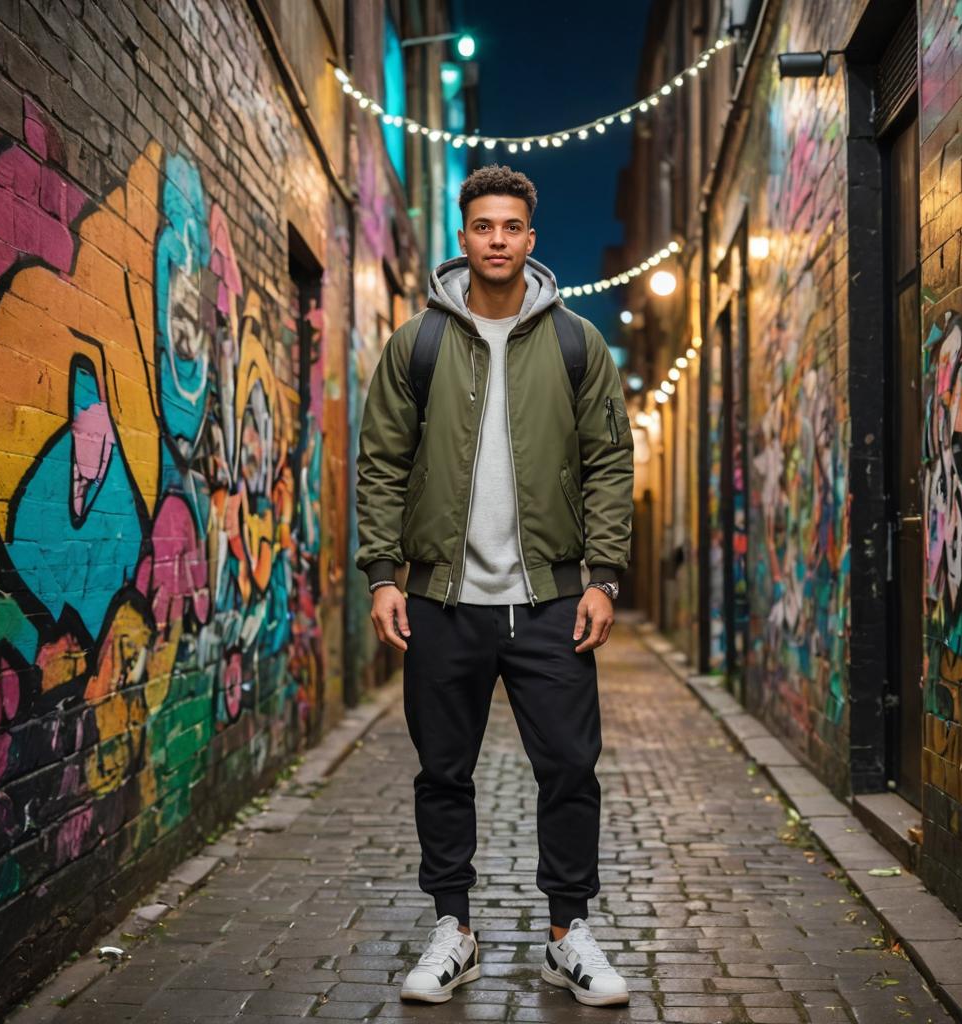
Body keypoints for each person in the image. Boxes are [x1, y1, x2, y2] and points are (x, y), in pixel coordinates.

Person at [355, 164, 634, 1008]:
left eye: (512, 226)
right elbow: (381, 463)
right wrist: (381, 575)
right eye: (484, 226)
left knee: (570, 770)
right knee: (443, 772)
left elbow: (609, 462)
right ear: (464, 236)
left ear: (531, 238)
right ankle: (454, 931)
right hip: (442, 602)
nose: (499, 240)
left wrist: (605, 578)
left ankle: (567, 936)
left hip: (550, 601)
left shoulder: (578, 343)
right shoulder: (420, 343)